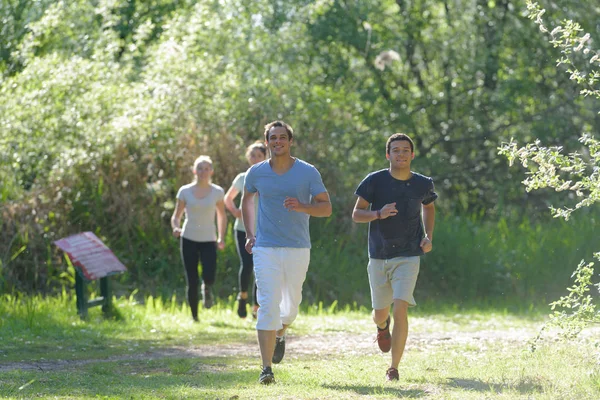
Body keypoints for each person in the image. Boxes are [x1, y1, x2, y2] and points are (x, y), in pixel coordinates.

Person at [241, 120, 332, 385]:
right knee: (267, 304)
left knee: (290, 307)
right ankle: (266, 368)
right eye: (273, 137)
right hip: (265, 247)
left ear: (290, 141)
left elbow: (325, 208)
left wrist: (303, 206)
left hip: (297, 247)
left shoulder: (307, 172)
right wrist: (249, 234)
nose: (277, 141)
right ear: (267, 141)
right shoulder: (255, 173)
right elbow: (246, 199)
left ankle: (280, 333)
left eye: (282, 137)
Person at [352, 133, 437, 382]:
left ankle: (394, 367)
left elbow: (429, 207)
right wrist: (378, 213)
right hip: (378, 255)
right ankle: (381, 326)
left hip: (409, 254)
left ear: (412, 154)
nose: (401, 154)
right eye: (396, 150)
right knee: (381, 312)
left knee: (401, 309)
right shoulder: (374, 181)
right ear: (388, 154)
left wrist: (428, 236)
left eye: (405, 150)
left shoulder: (423, 183)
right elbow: (357, 214)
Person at [171, 155, 227, 321]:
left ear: (212, 171)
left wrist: (221, 237)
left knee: (209, 275)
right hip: (188, 238)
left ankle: (207, 289)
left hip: (209, 239)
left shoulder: (217, 192)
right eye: (200, 168)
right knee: (192, 278)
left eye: (207, 168)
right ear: (194, 171)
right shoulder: (185, 191)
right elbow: (176, 216)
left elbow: (222, 216)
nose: (203, 172)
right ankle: (195, 316)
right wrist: (176, 227)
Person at [224, 141, 267, 319]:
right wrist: (235, 212)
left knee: (260, 267)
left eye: (259, 155)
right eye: (252, 155)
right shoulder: (242, 177)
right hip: (242, 228)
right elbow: (228, 198)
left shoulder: (269, 177)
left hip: (263, 230)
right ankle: (242, 297)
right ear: (248, 157)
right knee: (247, 264)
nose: (255, 158)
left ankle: (257, 306)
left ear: (265, 157)